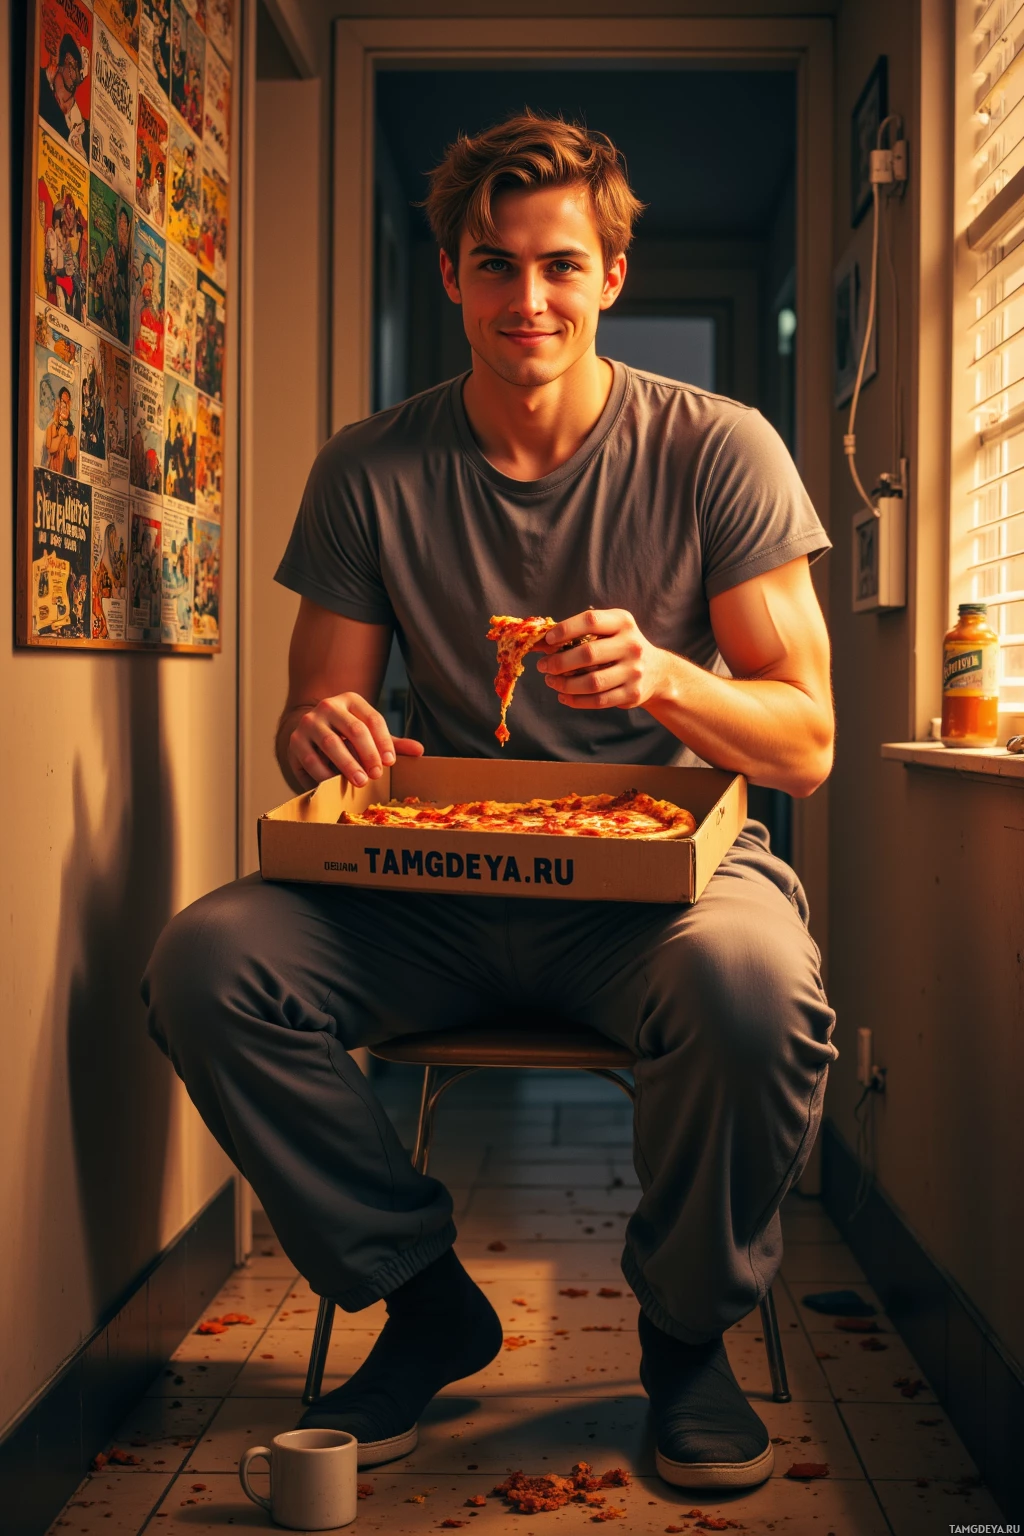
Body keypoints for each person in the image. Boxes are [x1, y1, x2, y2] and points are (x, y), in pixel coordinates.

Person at [143, 112, 837, 1491]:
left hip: (660, 889)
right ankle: (420, 1296)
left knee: (759, 991)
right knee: (207, 963)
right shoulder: (368, 470)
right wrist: (320, 728)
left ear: (613, 274)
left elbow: (807, 739)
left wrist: (665, 677)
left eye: (562, 266)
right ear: (452, 276)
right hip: (439, 888)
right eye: (495, 267)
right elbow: (310, 729)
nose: (530, 301)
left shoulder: (720, 448)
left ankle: (686, 1339)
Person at [39, 33, 89, 159]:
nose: (75, 76)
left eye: (79, 71)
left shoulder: (85, 130)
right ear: (66, 60)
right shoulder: (39, 83)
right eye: (73, 67)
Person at [44, 385, 78, 476]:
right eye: (62, 405)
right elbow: (50, 447)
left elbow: (72, 456)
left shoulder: (71, 430)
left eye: (66, 405)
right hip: (55, 470)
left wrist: (71, 442)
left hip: (66, 471)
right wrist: (61, 435)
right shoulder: (52, 426)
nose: (65, 409)